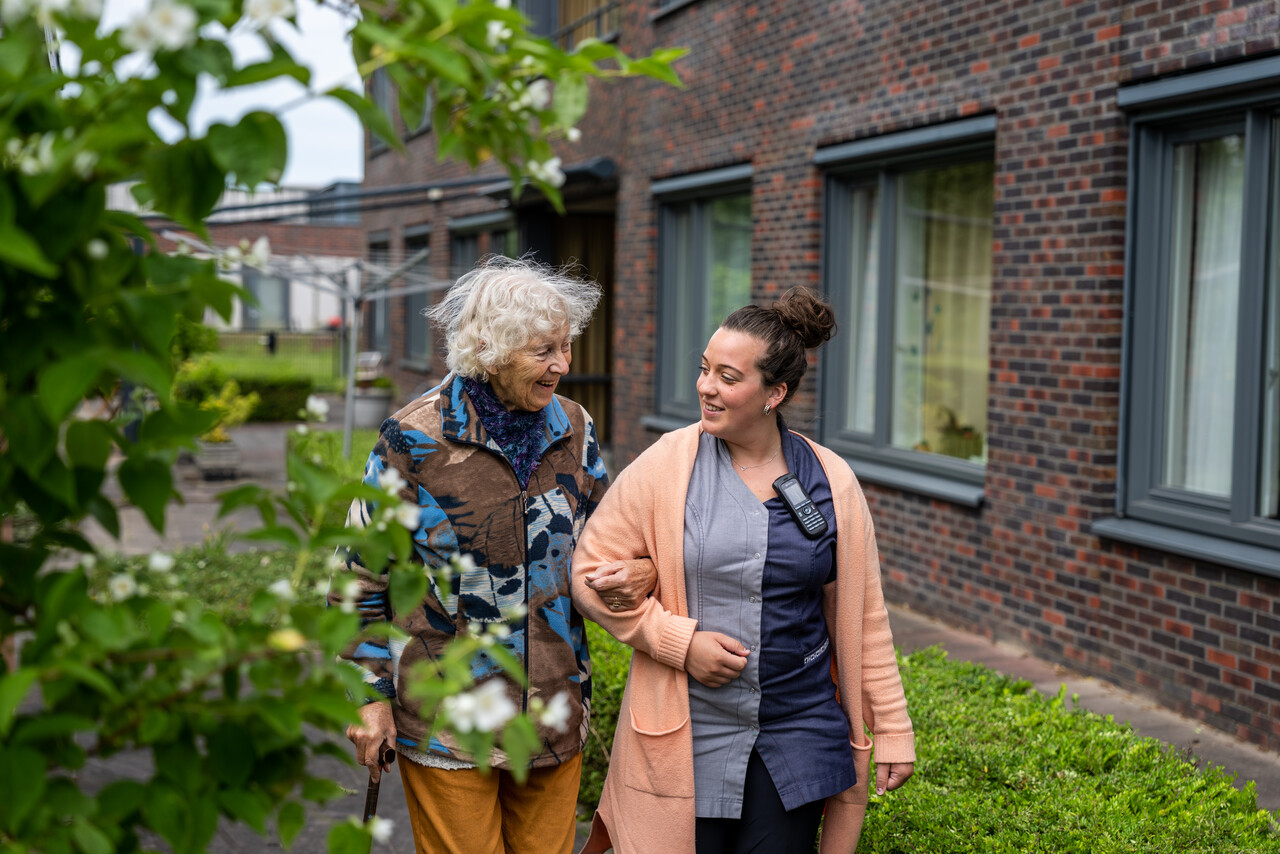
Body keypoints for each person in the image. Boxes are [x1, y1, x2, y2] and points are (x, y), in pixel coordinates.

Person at [572, 287, 916, 854]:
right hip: (690, 732)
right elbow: (588, 571)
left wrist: (895, 730)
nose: (707, 387)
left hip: (798, 729)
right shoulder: (667, 466)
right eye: (705, 370)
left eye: (729, 377)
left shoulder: (831, 482)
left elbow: (865, 618)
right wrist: (677, 643)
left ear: (774, 393)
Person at [332, 256, 654, 854]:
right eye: (542, 350)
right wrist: (367, 699)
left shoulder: (577, 430)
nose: (562, 364)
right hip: (447, 722)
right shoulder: (414, 439)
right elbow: (359, 579)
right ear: (489, 349)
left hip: (554, 717)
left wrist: (640, 569)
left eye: (565, 345)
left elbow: (612, 541)